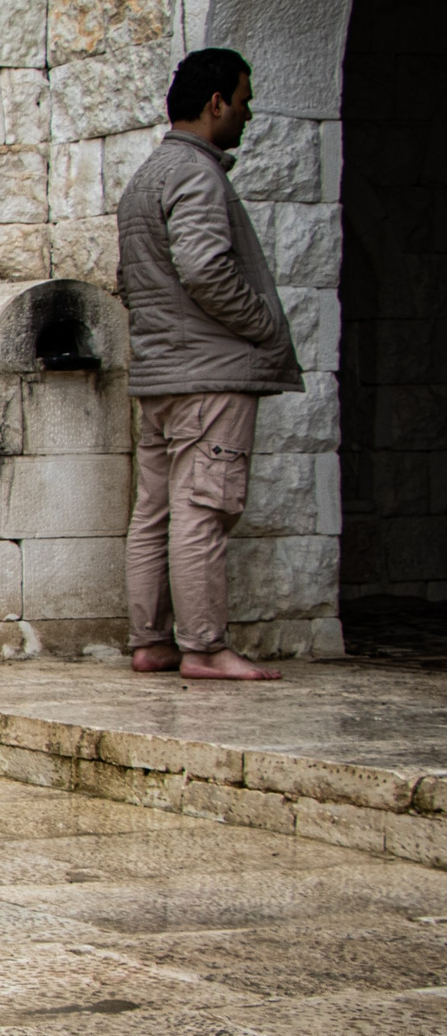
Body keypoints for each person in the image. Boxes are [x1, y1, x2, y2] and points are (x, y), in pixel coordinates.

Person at [117, 48, 302, 681]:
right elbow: (204, 268)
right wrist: (264, 323)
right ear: (216, 102)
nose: (247, 116)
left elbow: (140, 278)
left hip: (163, 373)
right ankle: (203, 647)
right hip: (209, 375)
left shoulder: (146, 176)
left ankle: (152, 641)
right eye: (243, 102)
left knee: (156, 511)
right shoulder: (196, 174)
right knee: (204, 509)